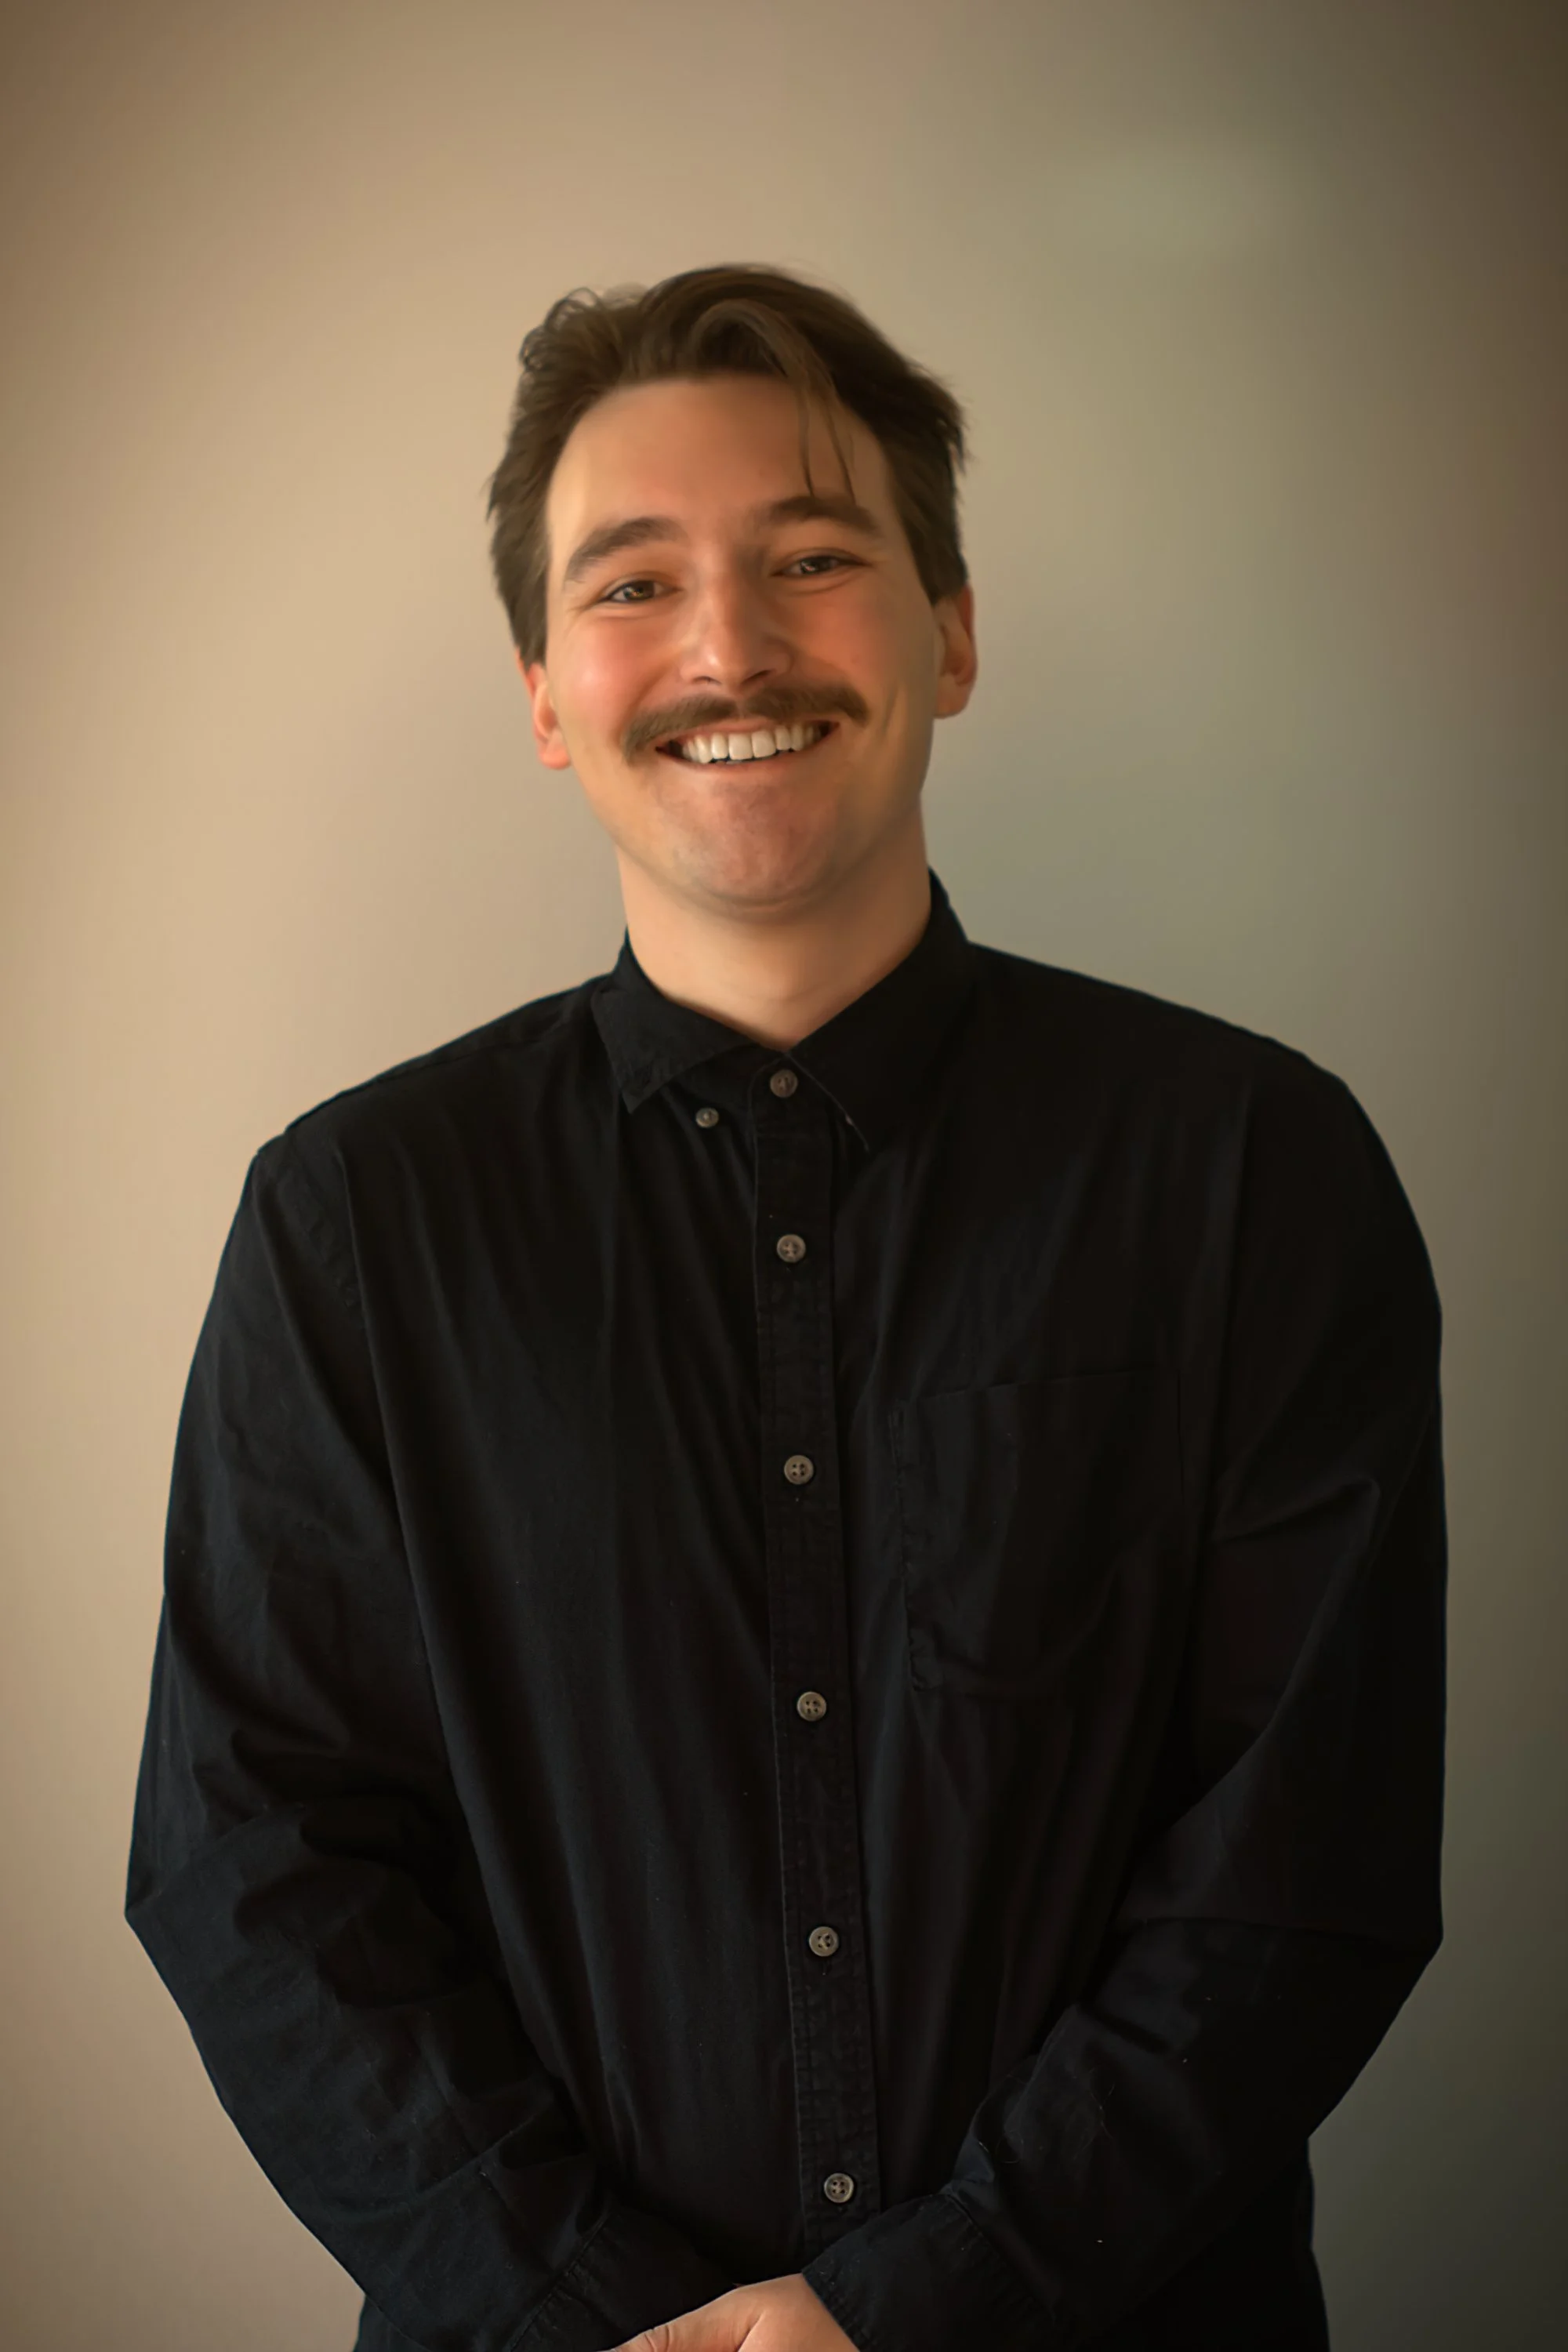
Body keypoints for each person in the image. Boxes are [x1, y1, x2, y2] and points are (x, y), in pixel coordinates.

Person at [126, 263, 1446, 2352]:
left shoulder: (1251, 1172)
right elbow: (256, 1861)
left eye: (813, 558)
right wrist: (587, 2308)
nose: (728, 644)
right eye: (632, 584)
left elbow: (1306, 1859)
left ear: (953, 629)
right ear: (547, 695)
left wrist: (926, 2306)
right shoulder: (359, 1221)